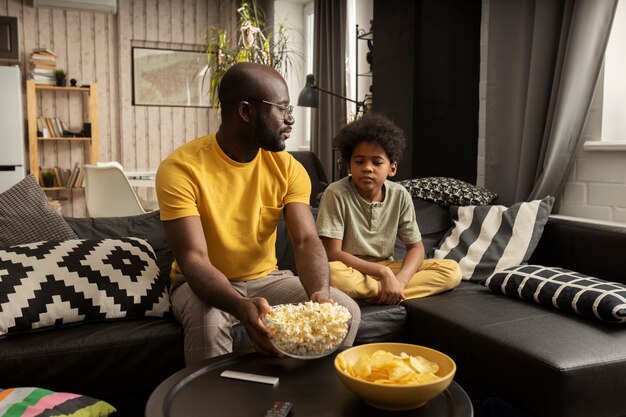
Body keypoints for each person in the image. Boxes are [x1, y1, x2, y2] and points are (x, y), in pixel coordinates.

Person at [155, 62, 361, 365]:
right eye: (282, 108)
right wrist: (240, 306)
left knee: (345, 313)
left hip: (267, 279)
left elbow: (305, 240)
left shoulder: (289, 168)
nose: (291, 119)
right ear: (245, 111)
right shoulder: (181, 168)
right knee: (210, 325)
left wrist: (319, 295)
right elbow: (193, 259)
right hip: (198, 284)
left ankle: (303, 398)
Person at [316, 113, 462, 305]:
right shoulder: (335, 193)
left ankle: (382, 292)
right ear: (349, 166)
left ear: (392, 169)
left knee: (451, 270)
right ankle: (383, 291)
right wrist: (382, 273)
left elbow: (416, 249)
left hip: (386, 267)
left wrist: (399, 281)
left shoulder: (400, 195)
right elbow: (332, 254)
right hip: (348, 268)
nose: (367, 168)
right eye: (359, 161)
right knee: (331, 272)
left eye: (377, 162)